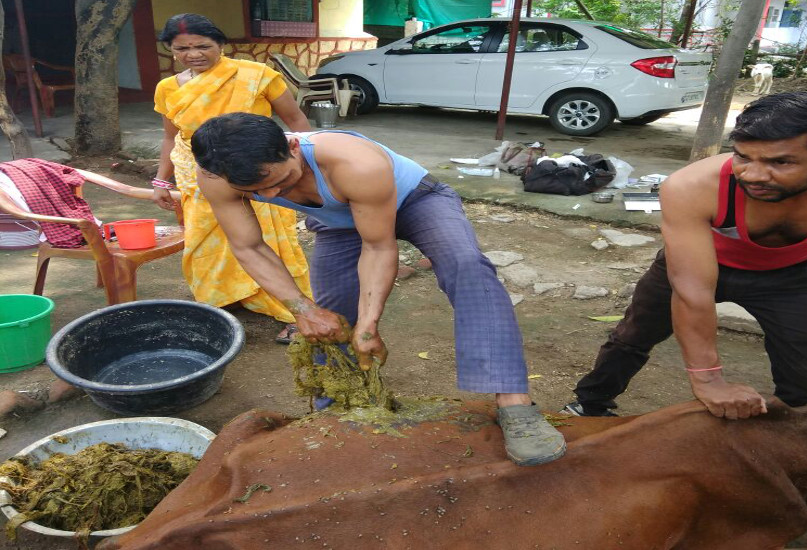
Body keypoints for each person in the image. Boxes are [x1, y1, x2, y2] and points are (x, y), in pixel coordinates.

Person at [188, 112, 566, 467]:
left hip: (417, 201)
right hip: (340, 222)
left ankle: (515, 404)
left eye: (278, 182)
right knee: (330, 316)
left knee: (466, 265)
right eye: (256, 191)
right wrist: (302, 309)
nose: (270, 195)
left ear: (291, 147)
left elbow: (379, 246)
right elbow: (249, 246)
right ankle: (338, 407)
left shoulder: (355, 163)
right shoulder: (216, 176)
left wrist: (370, 325)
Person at [563, 92, 807, 518]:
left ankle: (806, 469)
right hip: (701, 263)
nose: (754, 174)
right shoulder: (693, 186)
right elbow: (692, 291)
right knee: (632, 336)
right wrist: (709, 381)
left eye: (780, 162)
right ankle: (590, 403)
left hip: (795, 277)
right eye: (744, 157)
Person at [151, 13, 312, 343]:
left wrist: (307, 167)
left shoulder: (256, 75)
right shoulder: (167, 88)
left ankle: (295, 311)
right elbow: (171, 137)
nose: (193, 54)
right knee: (206, 241)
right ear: (170, 49)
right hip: (199, 172)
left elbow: (295, 119)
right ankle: (224, 298)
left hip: (257, 170)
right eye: (182, 48)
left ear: (221, 45)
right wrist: (161, 181)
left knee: (269, 238)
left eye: (203, 46)